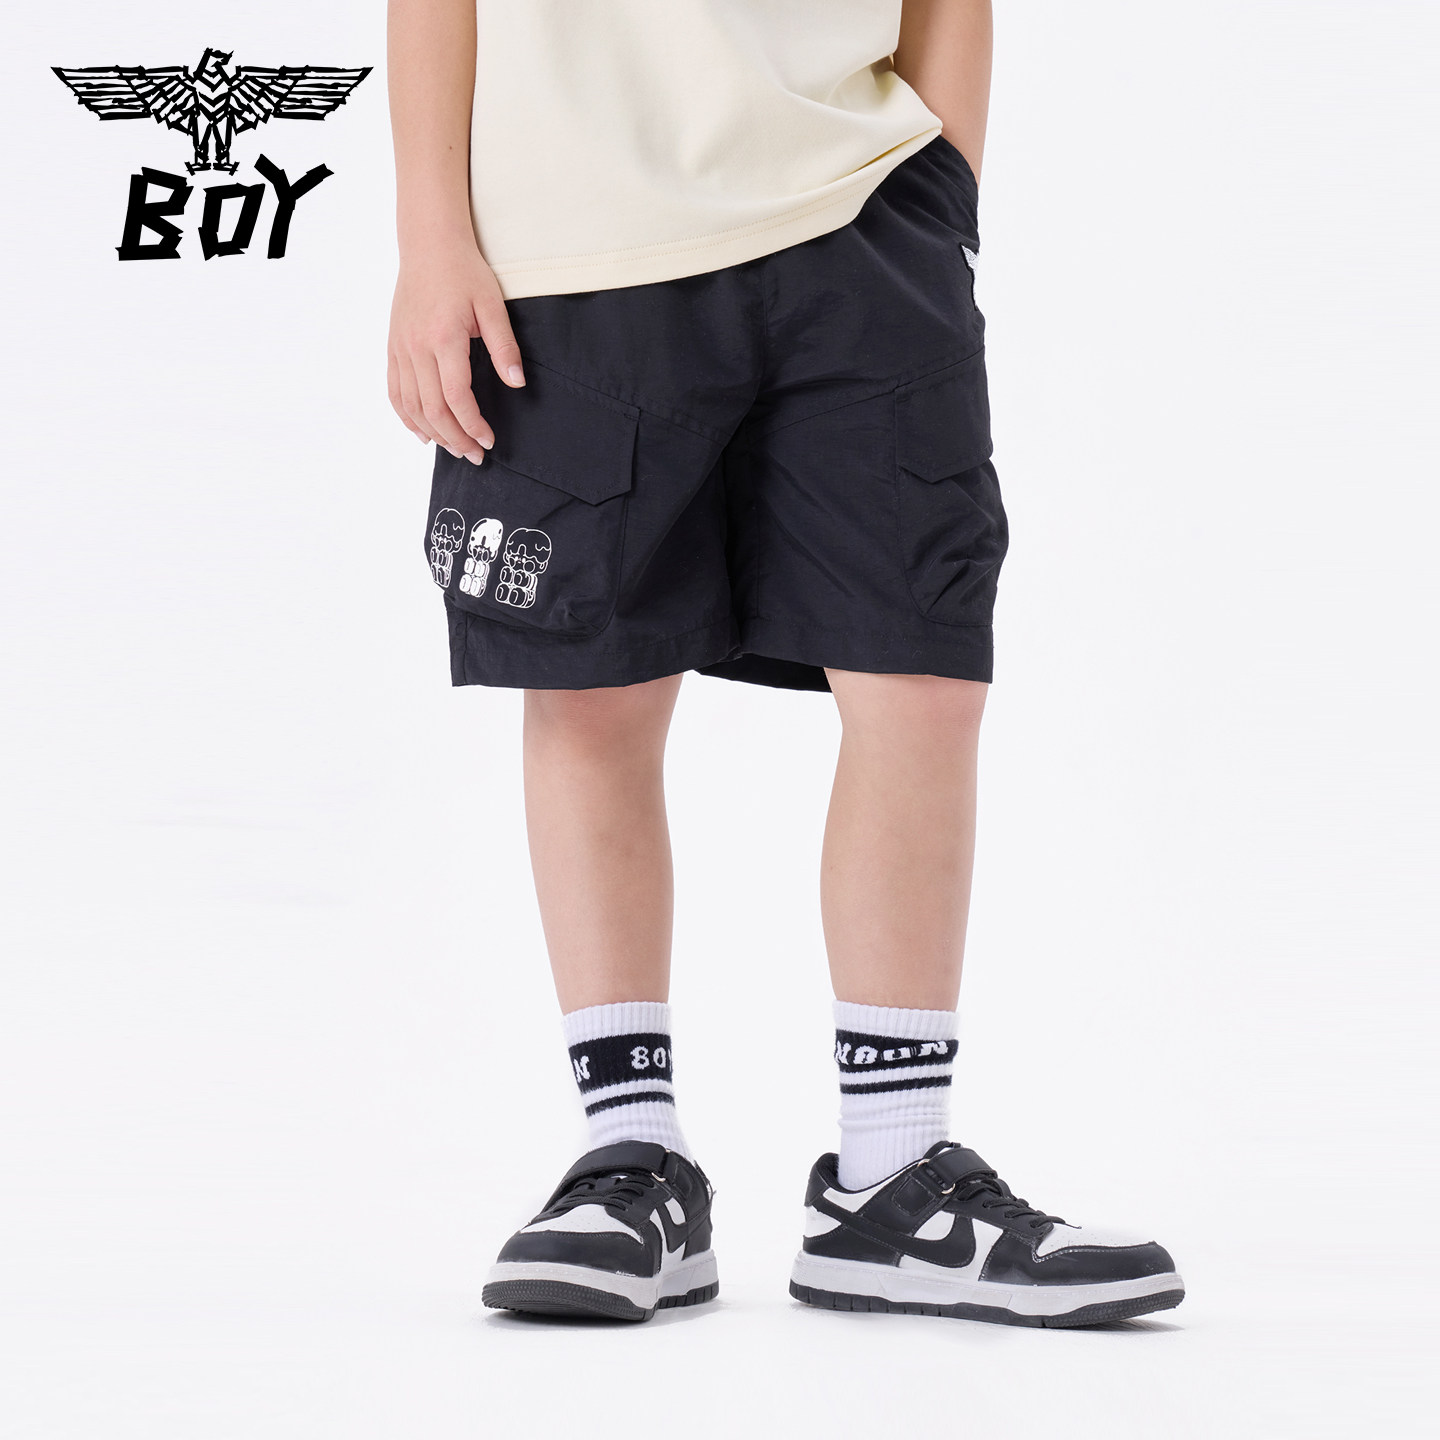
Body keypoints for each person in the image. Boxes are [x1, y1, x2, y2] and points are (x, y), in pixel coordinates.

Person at [386, 0, 1183, 1327]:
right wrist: (432, 239)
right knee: (592, 689)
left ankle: (891, 1174)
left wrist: (940, 194)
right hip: (569, 239)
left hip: (862, 212)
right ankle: (629, 1156)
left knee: (921, 672)